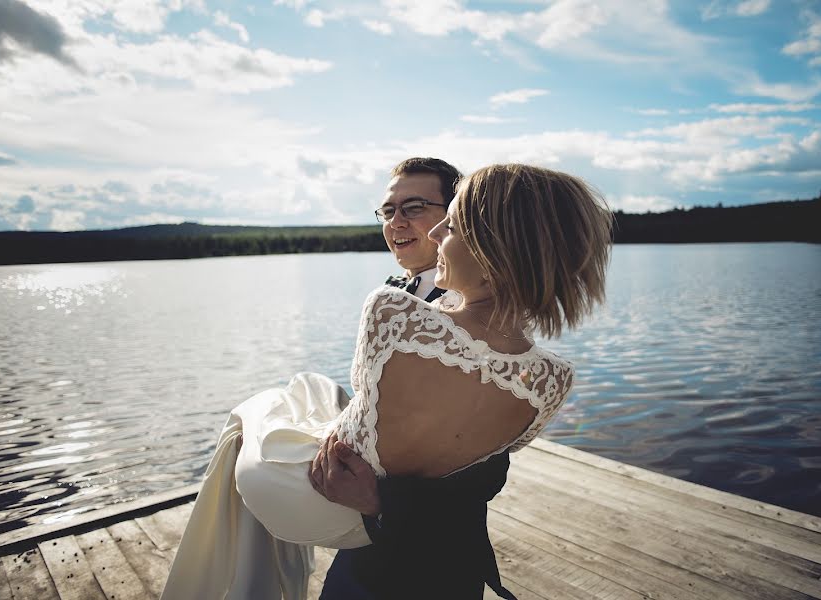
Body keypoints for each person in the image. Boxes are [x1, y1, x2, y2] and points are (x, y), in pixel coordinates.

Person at [159, 163, 612, 600]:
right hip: (359, 512)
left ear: (489, 237)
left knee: (263, 412)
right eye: (388, 209)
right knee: (307, 391)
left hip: (421, 550)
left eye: (417, 208)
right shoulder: (405, 295)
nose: (400, 222)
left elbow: (484, 472)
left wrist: (381, 501)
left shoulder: (413, 315)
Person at [378, 157, 461, 302]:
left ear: (454, 214)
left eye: (414, 207)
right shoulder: (385, 297)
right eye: (388, 211)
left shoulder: (476, 301)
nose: (396, 223)